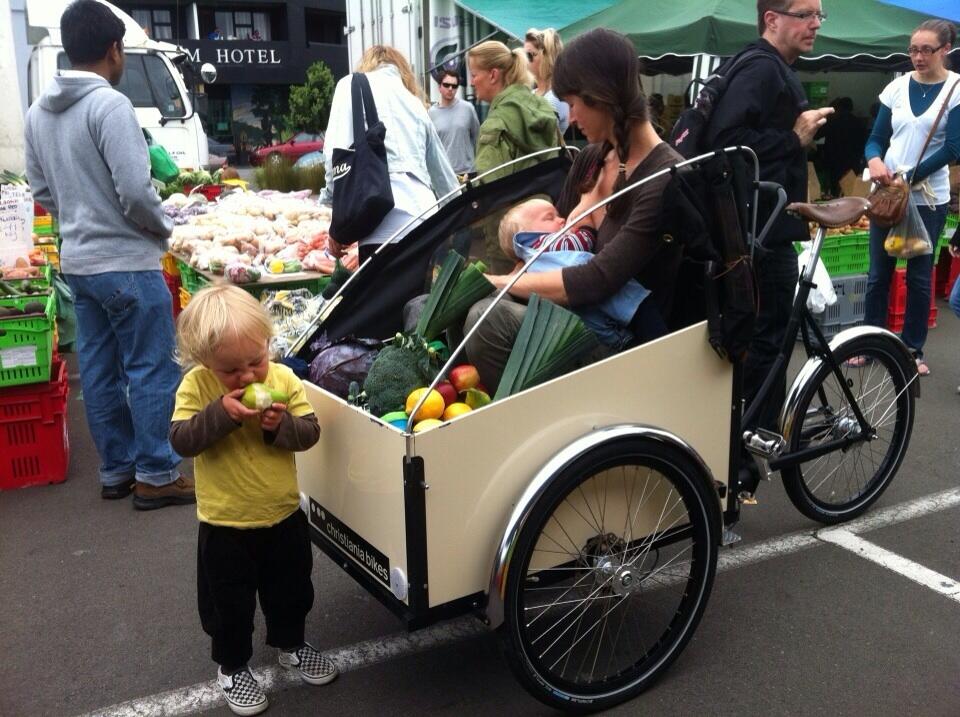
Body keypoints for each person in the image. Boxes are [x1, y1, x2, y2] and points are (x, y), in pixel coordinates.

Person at [24, 0, 194, 509]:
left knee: (99, 371)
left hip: (79, 263)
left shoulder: (37, 114)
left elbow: (42, 191)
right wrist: (165, 228)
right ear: (114, 49)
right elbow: (136, 193)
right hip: (127, 262)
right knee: (150, 367)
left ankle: (118, 470)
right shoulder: (110, 106)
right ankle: (157, 473)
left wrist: (80, 217)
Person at [463, 28, 684, 391]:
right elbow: (549, 242)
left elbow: (598, 279)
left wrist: (500, 282)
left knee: (488, 319)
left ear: (601, 95)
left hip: (626, 346)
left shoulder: (665, 177)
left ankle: (522, 419)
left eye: (572, 102)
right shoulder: (591, 159)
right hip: (572, 316)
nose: (571, 116)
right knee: (452, 304)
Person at [170, 285, 335, 716]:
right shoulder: (196, 386)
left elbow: (310, 432)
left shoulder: (283, 380)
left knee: (292, 589)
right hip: (225, 522)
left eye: (255, 361)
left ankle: (291, 645)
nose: (247, 377)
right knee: (228, 604)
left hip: (282, 514)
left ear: (268, 344)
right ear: (204, 361)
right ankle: (232, 666)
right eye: (231, 369)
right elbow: (181, 439)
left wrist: (279, 425)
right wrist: (220, 413)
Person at [704, 0, 833, 497]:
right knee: (767, 344)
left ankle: (741, 454)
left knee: (760, 340)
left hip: (758, 228)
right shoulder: (762, 68)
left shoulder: (760, 64)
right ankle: (743, 464)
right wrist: (793, 138)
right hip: (762, 233)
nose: (815, 23)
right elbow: (726, 142)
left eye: (819, 15)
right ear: (771, 19)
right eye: (804, 13)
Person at [862, 19, 959, 377]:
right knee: (878, 274)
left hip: (927, 199)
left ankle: (912, 350)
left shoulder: (956, 89)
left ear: (945, 50)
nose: (918, 57)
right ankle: (869, 342)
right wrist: (874, 160)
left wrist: (908, 177)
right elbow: (876, 138)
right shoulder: (897, 87)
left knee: (919, 277)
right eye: (913, 50)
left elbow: (953, 148)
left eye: (926, 50)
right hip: (888, 196)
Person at [322, 45, 458, 263]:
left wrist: (335, 214)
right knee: (420, 286)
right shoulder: (414, 102)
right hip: (424, 217)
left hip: (379, 223)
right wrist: (457, 222)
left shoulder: (349, 85)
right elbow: (443, 176)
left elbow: (334, 157)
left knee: (383, 286)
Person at [499, 198, 652, 349]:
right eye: (550, 218)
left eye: (558, 215)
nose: (561, 220)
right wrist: (586, 227)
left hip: (603, 327)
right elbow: (578, 244)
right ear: (525, 236)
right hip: (625, 304)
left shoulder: (533, 267)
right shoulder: (543, 244)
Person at [467, 40, 559, 271]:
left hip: (509, 240)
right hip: (547, 227)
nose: (471, 82)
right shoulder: (541, 108)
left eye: (474, 74)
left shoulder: (496, 123)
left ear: (493, 75)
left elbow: (490, 188)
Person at [428, 69, 480, 175]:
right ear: (439, 87)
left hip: (468, 172)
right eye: (446, 85)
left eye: (454, 86)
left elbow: (478, 138)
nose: (450, 89)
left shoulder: (468, 108)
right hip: (444, 173)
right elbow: (431, 146)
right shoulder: (431, 113)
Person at [525, 28, 570, 134]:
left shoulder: (555, 98)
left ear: (545, 57)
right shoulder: (532, 93)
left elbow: (534, 136)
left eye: (529, 55)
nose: (525, 60)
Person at [820, 97, 867, 196]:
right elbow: (864, 141)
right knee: (851, 190)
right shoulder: (858, 122)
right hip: (852, 160)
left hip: (835, 160)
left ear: (839, 107)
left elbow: (817, 135)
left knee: (835, 190)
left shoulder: (833, 121)